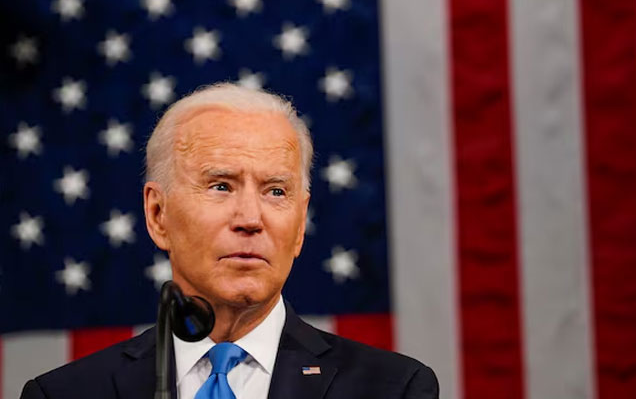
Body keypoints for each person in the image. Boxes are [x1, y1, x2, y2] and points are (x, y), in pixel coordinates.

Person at [19, 83, 439, 399]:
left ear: (300, 224)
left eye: (276, 191)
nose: (251, 219)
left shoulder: (394, 390)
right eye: (221, 186)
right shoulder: (62, 395)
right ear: (157, 214)